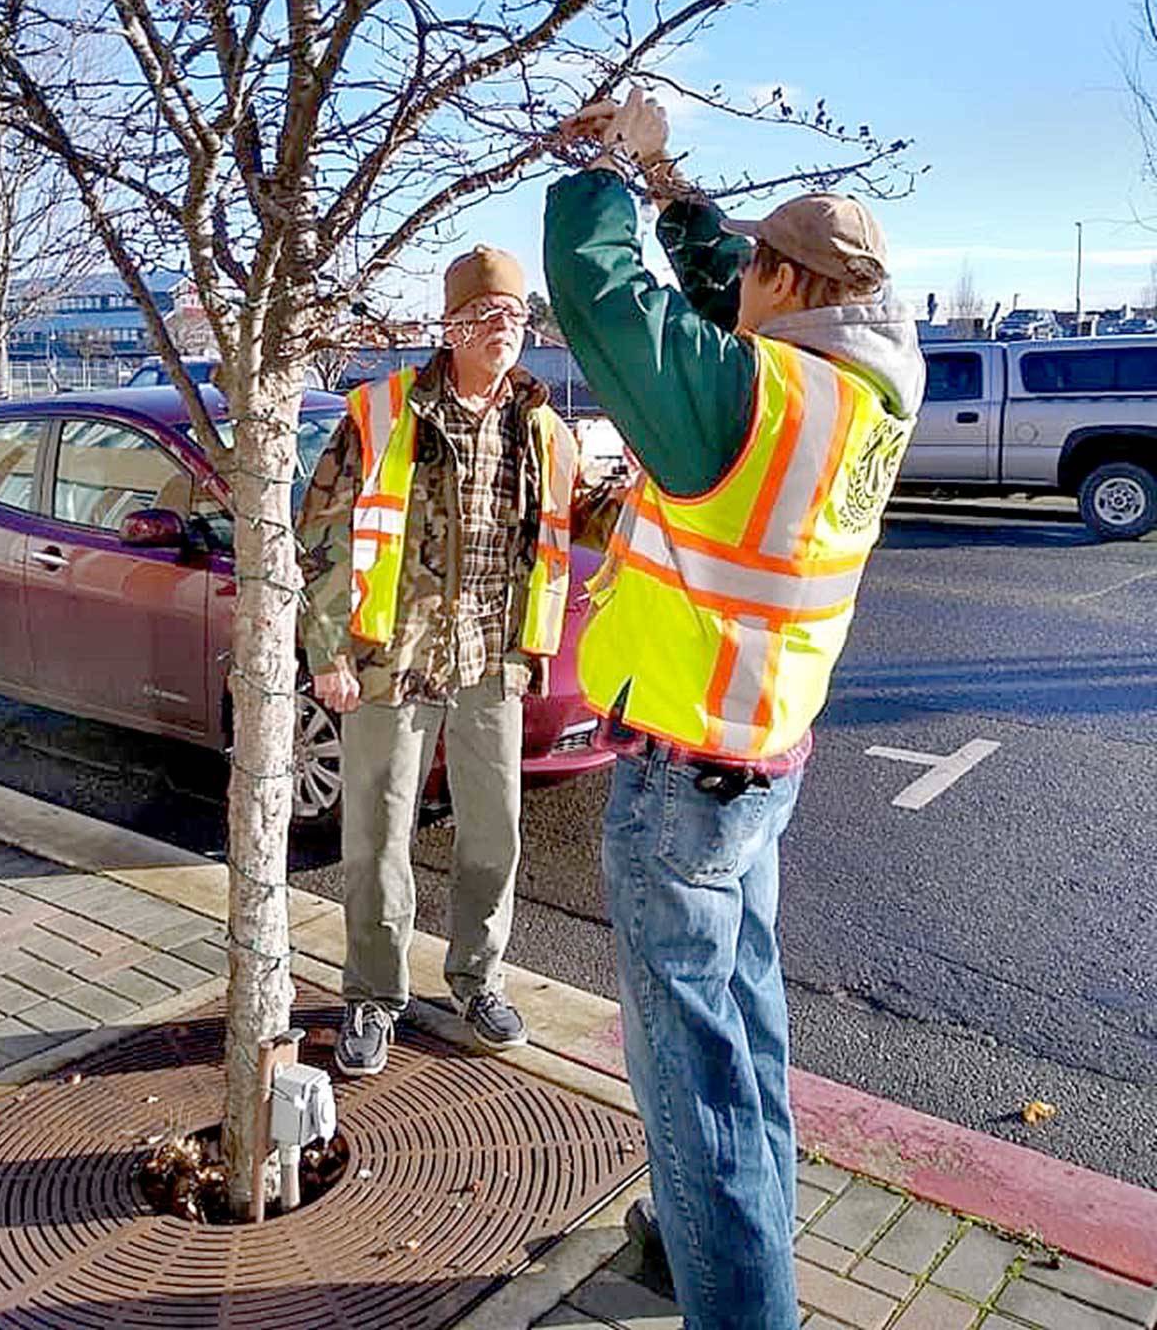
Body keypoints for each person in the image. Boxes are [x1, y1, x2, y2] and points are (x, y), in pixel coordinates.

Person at [543, 91, 924, 1330]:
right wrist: (673, 189)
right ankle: (704, 1243)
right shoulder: (862, 394)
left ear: (782, 282)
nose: (733, 287)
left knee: (689, 1071)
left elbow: (608, 300)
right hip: (759, 761)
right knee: (739, 1032)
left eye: (752, 269)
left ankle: (738, 1295)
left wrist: (601, 165)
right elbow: (728, 297)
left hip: (683, 779)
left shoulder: (748, 400)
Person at [298, 247, 577, 1078]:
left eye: (517, 318)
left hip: (491, 662)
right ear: (451, 327)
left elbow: (575, 521)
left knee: (494, 836)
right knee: (377, 839)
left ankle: (476, 978)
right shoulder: (383, 412)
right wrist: (328, 649)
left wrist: (647, 498)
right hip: (393, 660)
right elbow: (321, 532)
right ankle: (373, 995)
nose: (506, 331)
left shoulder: (542, 427)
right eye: (489, 317)